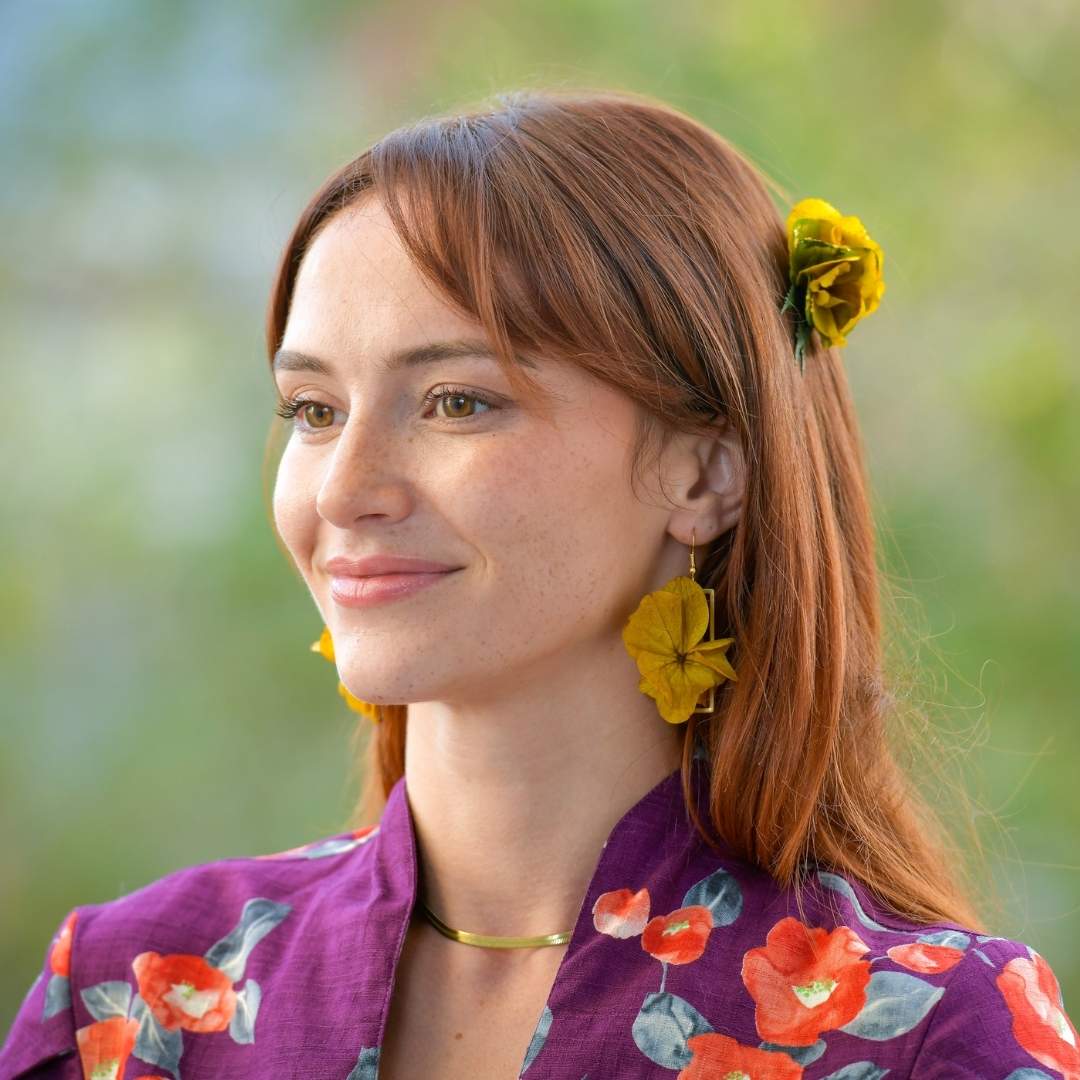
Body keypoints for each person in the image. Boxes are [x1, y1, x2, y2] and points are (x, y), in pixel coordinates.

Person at [2, 87, 1076, 1080]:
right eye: (314, 411)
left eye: (457, 402)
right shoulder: (129, 999)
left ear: (706, 472)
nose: (346, 490)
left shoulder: (920, 1030)